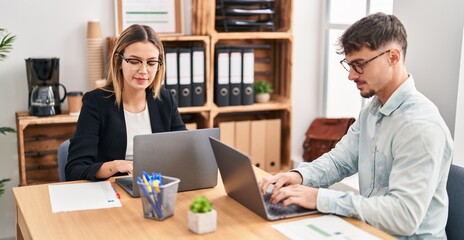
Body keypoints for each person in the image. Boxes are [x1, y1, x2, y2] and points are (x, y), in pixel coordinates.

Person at [259, 13, 453, 239]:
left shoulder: (419, 126)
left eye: (359, 65)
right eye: (349, 65)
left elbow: (404, 217)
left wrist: (320, 198)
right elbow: (340, 161)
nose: (351, 75)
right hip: (367, 231)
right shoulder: (373, 110)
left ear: (393, 57)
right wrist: (299, 176)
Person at [66, 24, 186, 181]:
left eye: (151, 63)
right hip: (114, 191)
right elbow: (74, 170)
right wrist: (115, 166)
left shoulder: (165, 100)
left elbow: (185, 151)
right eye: (135, 61)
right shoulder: (95, 103)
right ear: (118, 61)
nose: (143, 70)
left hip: (156, 186)